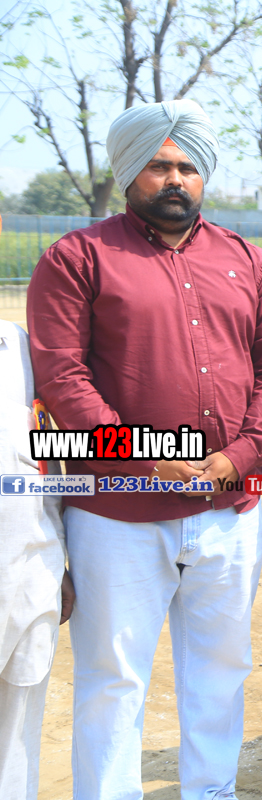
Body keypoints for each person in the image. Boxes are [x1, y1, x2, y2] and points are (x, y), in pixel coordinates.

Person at [27, 99, 262, 799]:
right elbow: (62, 378)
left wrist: (239, 457)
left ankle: (211, 792)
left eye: (187, 166)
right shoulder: (77, 258)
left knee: (221, 673)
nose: (175, 178)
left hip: (229, 511)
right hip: (117, 513)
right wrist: (146, 455)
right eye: (157, 165)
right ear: (128, 173)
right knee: (113, 679)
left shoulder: (249, 262)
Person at [0, 307, 71, 799]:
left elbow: (47, 464)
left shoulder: (20, 347)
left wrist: (59, 559)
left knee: (17, 736)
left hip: (30, 575)